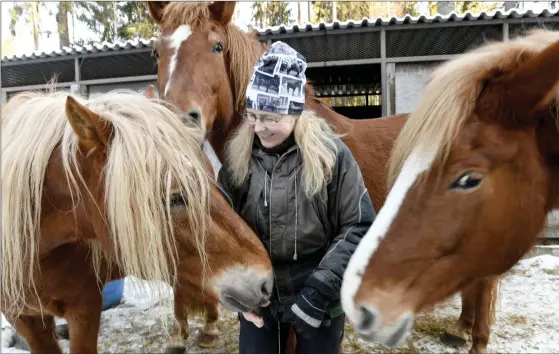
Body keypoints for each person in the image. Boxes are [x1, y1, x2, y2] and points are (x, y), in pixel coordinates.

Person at [217, 41, 376, 354]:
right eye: (252, 114)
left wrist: (319, 292)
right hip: (260, 293)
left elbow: (359, 225)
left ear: (294, 111)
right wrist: (237, 292)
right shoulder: (238, 159)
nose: (259, 127)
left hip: (319, 288)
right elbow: (219, 222)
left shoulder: (331, 155)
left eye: (271, 118)